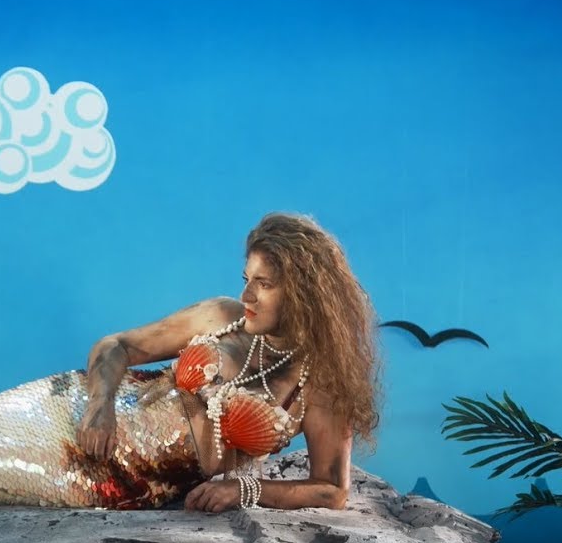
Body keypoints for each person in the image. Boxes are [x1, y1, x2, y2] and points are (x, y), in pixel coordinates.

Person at [76, 212, 380, 512]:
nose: (246, 295)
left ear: (304, 294)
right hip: (75, 425)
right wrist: (100, 405)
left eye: (264, 284)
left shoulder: (323, 381)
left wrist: (244, 489)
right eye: (247, 279)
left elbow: (332, 490)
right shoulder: (221, 316)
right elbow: (116, 345)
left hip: (124, 490)